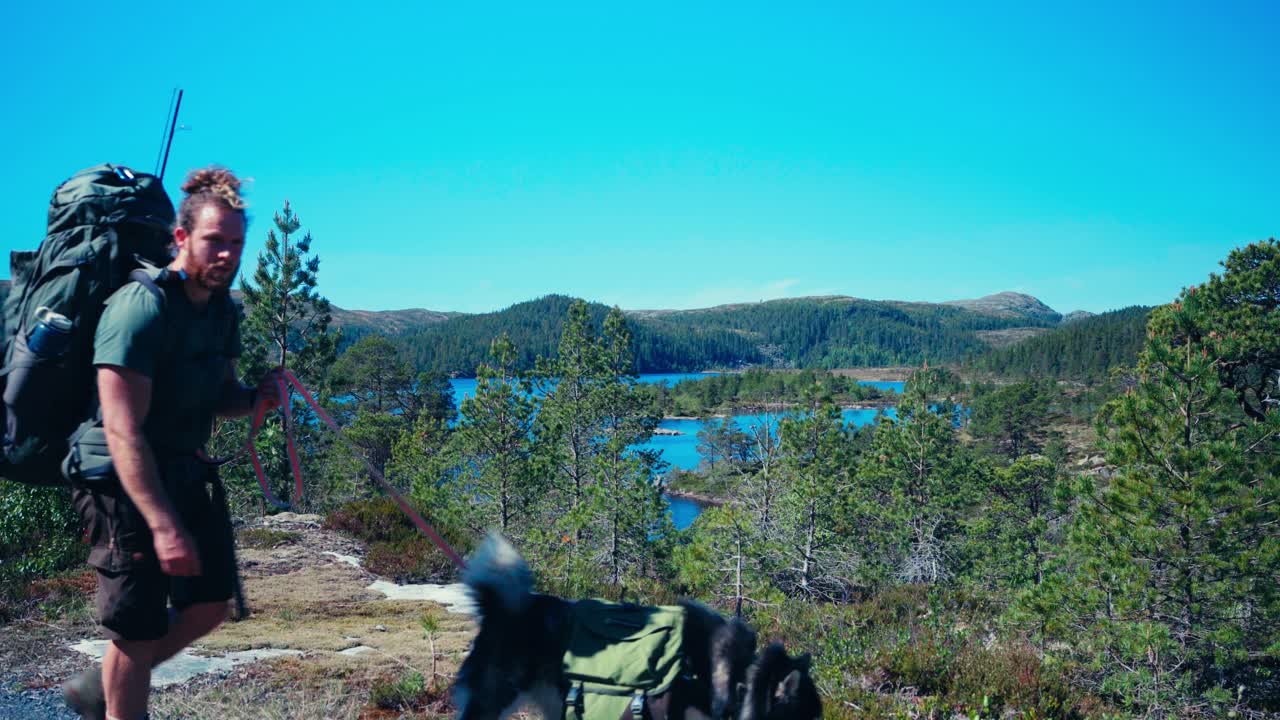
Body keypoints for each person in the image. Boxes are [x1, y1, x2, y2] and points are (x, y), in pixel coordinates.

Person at [62, 167, 281, 720]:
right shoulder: (140, 308)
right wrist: (162, 526)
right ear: (181, 239)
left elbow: (221, 396)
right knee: (137, 631)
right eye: (214, 241)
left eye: (236, 243)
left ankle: (98, 688)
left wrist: (257, 397)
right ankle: (117, 695)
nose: (227, 254)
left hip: (180, 466)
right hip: (117, 474)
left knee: (209, 604)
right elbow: (121, 429)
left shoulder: (223, 311)